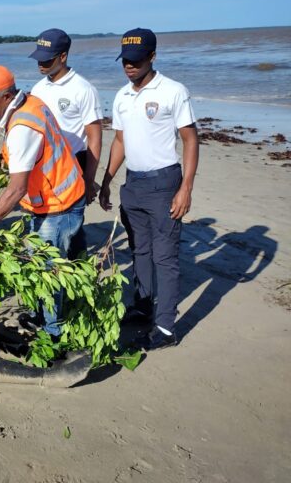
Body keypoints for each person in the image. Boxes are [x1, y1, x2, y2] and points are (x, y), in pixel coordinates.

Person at [0, 65, 86, 337]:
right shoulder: (31, 102)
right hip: (59, 196)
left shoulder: (22, 127)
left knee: (48, 272)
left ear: (6, 96)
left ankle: (53, 333)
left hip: (57, 206)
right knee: (40, 265)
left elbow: (16, 189)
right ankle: (41, 317)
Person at [98, 28, 199, 351]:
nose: (129, 66)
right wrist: (106, 181)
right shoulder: (123, 96)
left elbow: (190, 139)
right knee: (139, 250)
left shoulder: (172, 91)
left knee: (165, 257)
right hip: (134, 184)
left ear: (152, 57)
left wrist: (185, 188)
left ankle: (167, 327)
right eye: (125, 60)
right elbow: (120, 141)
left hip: (164, 182)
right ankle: (142, 307)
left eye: (136, 60)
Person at [29, 29, 102, 258]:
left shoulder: (83, 89)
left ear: (63, 57)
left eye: (47, 59)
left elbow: (95, 136)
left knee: (72, 224)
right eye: (39, 58)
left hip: (73, 164)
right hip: (45, 166)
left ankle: (78, 275)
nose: (41, 64)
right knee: (50, 221)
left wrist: (89, 179)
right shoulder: (39, 88)